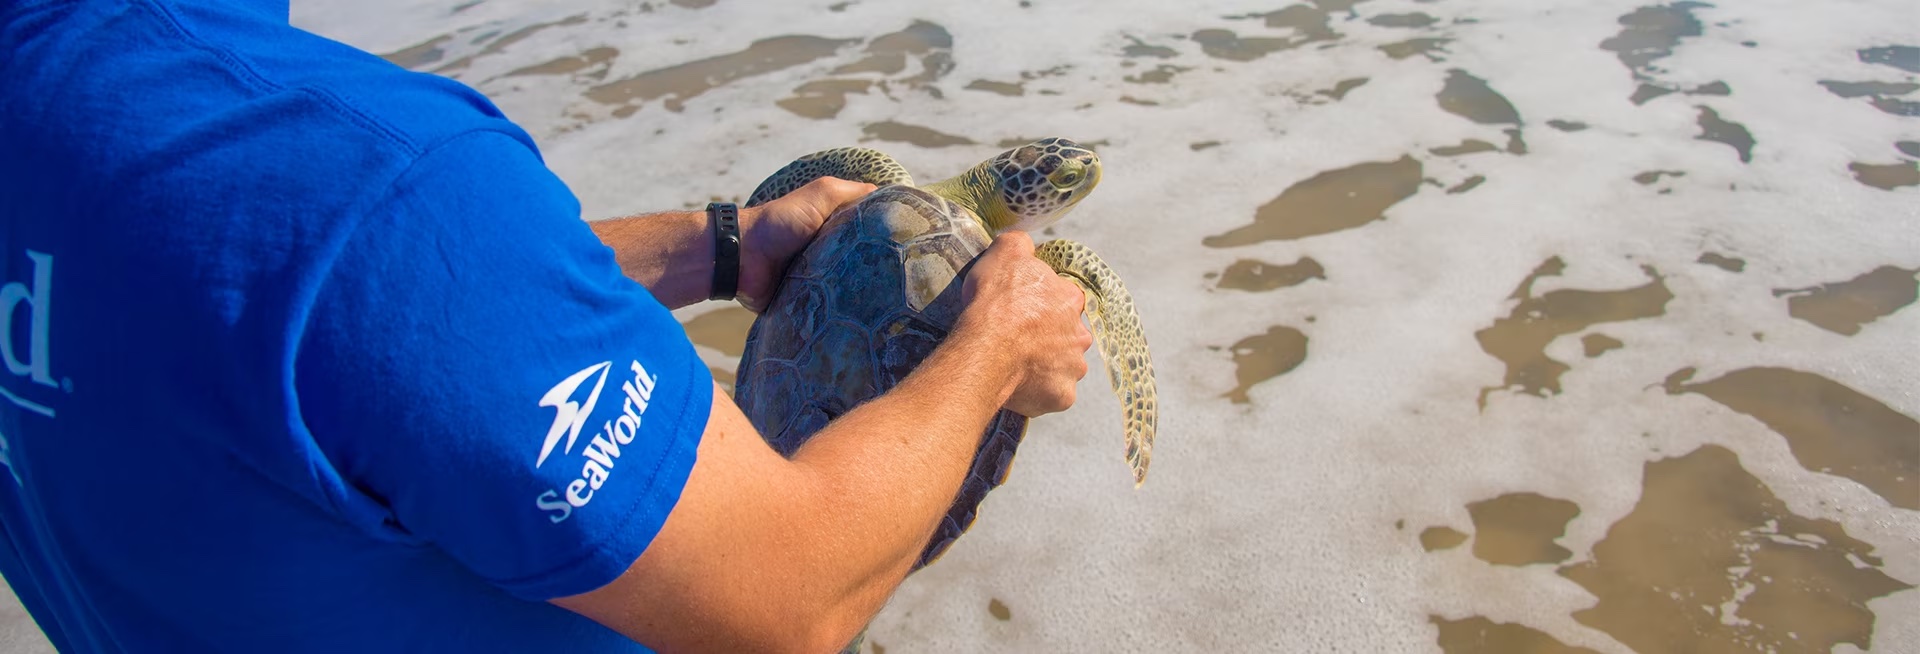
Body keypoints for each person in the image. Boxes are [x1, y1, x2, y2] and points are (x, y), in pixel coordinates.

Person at [0, 0, 1093, 651]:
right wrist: (996, 350)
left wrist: (721, 241)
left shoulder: (62, 113)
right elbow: (786, 604)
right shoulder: (361, 169)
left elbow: (317, 313)